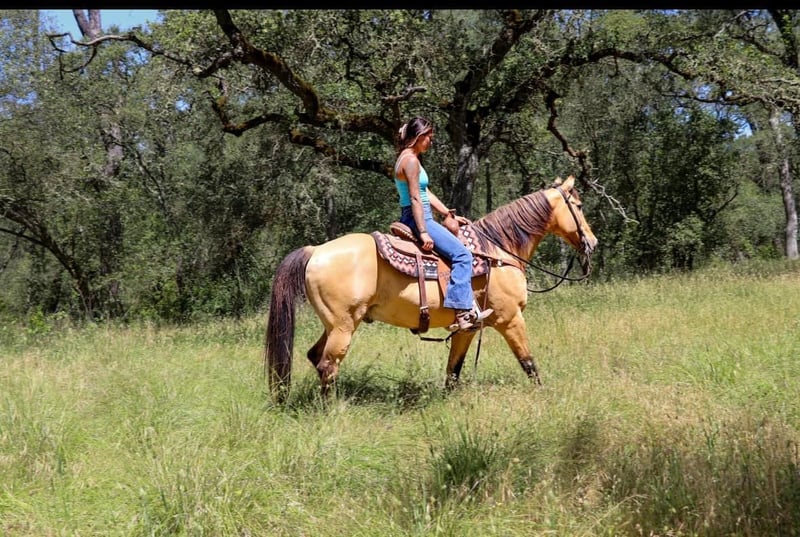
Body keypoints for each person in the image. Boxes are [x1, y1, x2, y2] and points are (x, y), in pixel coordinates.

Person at [393, 116, 493, 331]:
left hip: (417, 213)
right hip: (419, 216)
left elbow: (425, 192)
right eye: (428, 136)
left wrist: (447, 212)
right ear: (418, 136)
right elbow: (415, 198)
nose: (430, 141)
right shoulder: (411, 161)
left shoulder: (408, 158)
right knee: (463, 255)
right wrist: (423, 231)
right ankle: (462, 312)